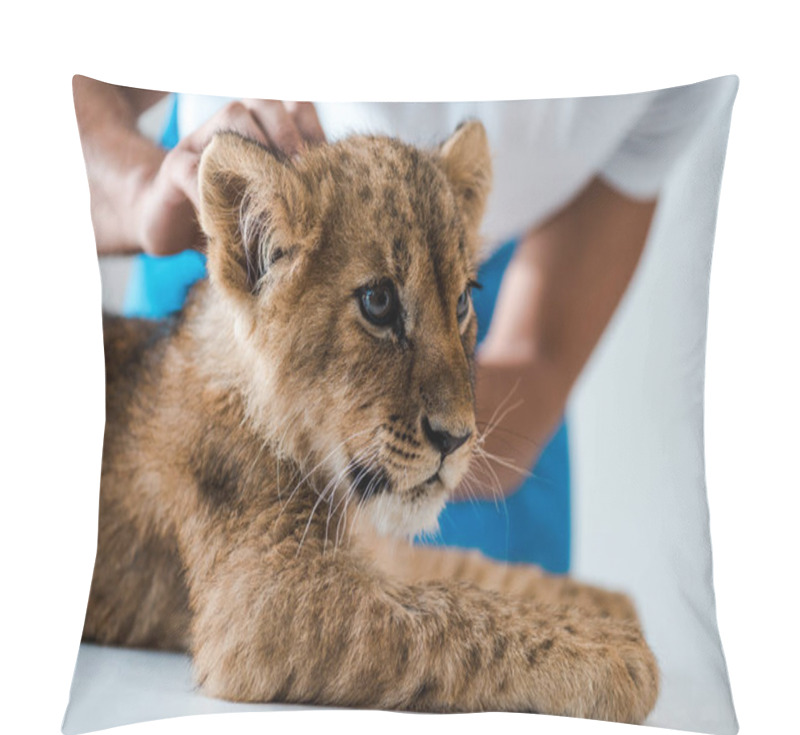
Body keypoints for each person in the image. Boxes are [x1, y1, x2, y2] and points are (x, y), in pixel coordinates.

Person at [73, 75, 734, 573]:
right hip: (244, 249)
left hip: (471, 296)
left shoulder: (685, 65)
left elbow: (540, 363)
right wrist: (137, 195)